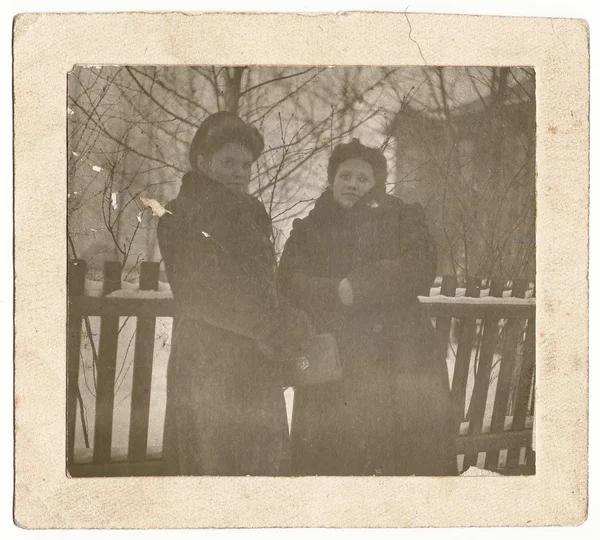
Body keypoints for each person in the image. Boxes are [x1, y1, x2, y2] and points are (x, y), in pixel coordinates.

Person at [278, 139, 457, 476]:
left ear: (376, 184)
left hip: (398, 355)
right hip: (334, 359)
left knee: (399, 455)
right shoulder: (310, 228)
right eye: (345, 176)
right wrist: (335, 291)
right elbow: (287, 280)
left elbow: (420, 267)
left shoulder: (403, 217)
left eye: (363, 178)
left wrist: (361, 286)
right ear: (332, 180)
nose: (353, 185)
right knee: (333, 462)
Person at [157, 111, 314, 476]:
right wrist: (275, 326)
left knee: (259, 474)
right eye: (228, 162)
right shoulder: (179, 215)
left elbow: (260, 286)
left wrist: (289, 315)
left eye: (246, 164)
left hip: (256, 365)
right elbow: (207, 295)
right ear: (202, 162)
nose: (241, 171)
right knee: (212, 474)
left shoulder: (250, 210)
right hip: (209, 366)